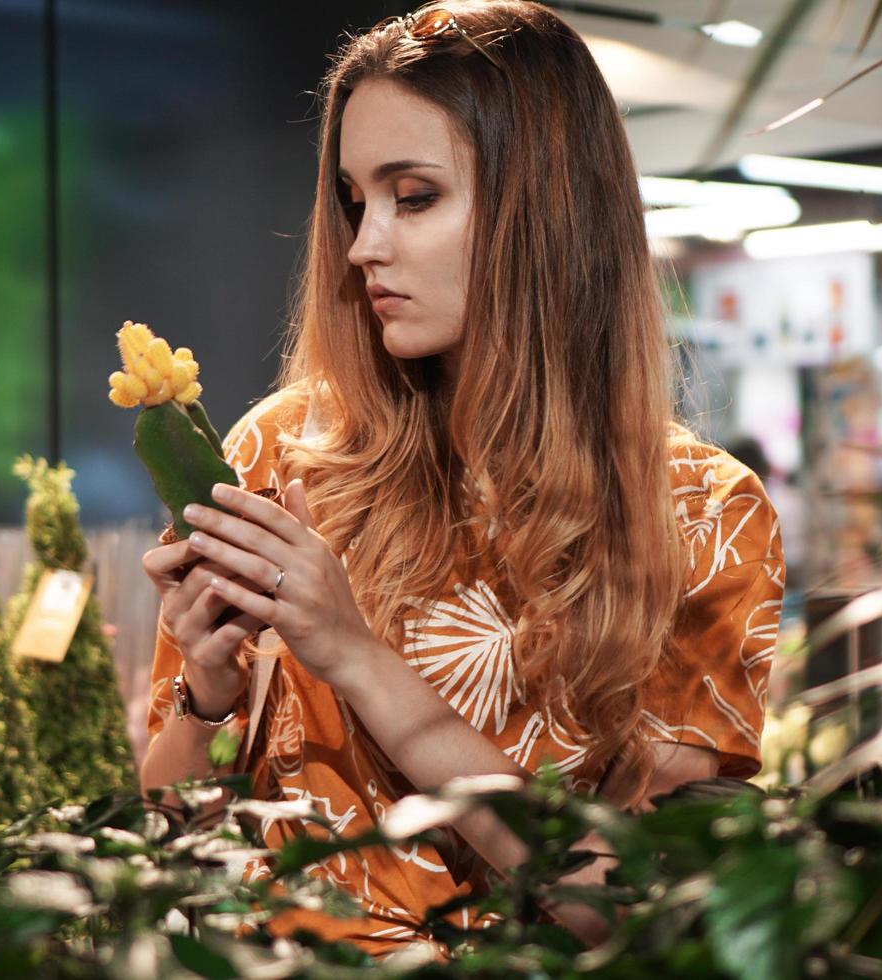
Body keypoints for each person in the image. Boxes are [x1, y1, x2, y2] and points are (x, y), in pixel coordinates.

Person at [138, 0, 784, 955]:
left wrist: (356, 658)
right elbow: (169, 833)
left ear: (546, 209)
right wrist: (208, 692)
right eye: (355, 200)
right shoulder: (285, 453)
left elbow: (637, 907)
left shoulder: (702, 513)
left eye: (416, 196)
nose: (364, 245)